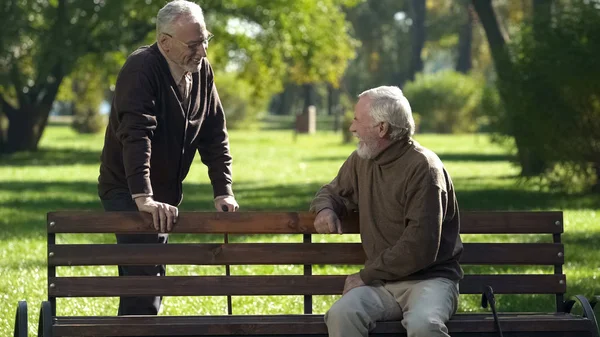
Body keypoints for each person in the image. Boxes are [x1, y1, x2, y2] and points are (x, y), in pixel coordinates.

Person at [97, 0, 238, 315]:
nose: (202, 51)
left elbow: (215, 132)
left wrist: (223, 190)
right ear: (165, 43)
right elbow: (137, 134)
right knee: (144, 274)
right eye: (194, 44)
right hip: (126, 188)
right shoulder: (141, 68)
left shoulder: (201, 71)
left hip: (165, 192)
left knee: (151, 273)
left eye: (205, 40)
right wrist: (143, 196)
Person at [310, 86, 463, 337]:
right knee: (341, 314)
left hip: (430, 281)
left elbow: (419, 247)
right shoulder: (362, 159)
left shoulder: (424, 169)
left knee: (424, 325)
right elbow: (333, 191)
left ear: (382, 128)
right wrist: (325, 209)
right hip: (382, 283)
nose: (352, 128)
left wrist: (365, 275)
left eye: (358, 120)